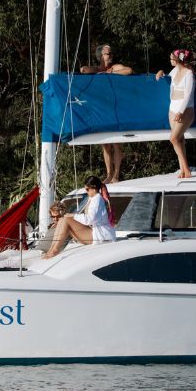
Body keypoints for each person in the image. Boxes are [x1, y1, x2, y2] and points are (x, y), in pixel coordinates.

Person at [79, 44, 134, 184]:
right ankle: (109, 174)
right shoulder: (97, 69)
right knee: (105, 144)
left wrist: (109, 74)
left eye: (111, 54)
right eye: (108, 54)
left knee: (116, 143)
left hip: (115, 109)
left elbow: (129, 71)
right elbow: (84, 70)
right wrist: (95, 71)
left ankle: (116, 175)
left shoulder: (115, 68)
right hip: (102, 110)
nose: (111, 56)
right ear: (100, 57)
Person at [43, 176, 115, 258]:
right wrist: (72, 216)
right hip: (96, 232)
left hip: (101, 235)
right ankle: (51, 250)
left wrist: (73, 215)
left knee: (66, 219)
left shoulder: (97, 199)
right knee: (63, 219)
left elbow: (89, 219)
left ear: (94, 188)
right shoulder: (94, 198)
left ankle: (54, 251)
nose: (86, 192)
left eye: (87, 189)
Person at [155, 48, 196, 178]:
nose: (170, 60)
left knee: (173, 138)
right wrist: (161, 72)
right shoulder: (174, 70)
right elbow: (167, 76)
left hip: (185, 111)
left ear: (177, 60)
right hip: (172, 109)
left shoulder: (189, 73)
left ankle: (187, 169)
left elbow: (188, 94)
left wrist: (181, 111)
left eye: (171, 58)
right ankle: (182, 170)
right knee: (179, 139)